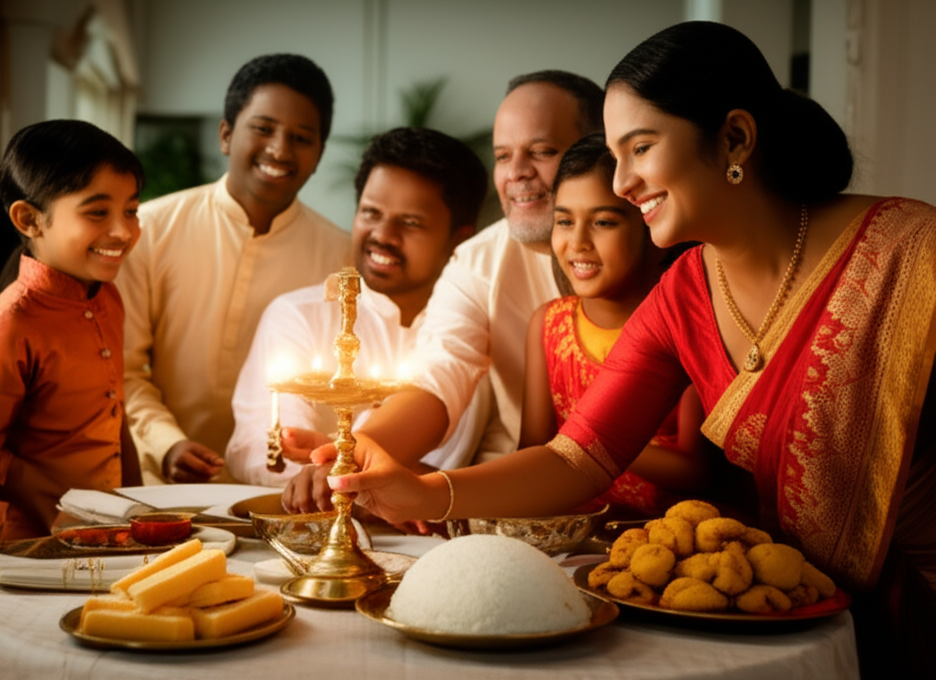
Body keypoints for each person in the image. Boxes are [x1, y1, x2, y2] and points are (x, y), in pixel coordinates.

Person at [302, 22, 936, 677]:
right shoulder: (686, 291)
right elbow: (574, 458)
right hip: (792, 613)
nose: (625, 182)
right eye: (614, 153)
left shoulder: (910, 256)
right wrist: (422, 492)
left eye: (641, 148)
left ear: (735, 138)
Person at [325, 71, 604, 481]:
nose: (517, 173)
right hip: (525, 494)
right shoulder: (477, 261)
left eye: (542, 151)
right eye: (503, 156)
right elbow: (438, 376)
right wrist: (358, 453)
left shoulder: (667, 257)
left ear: (600, 150)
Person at [226, 127, 490, 512]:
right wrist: (350, 466)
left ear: (459, 239)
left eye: (411, 223)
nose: (383, 235)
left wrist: (402, 476)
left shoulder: (479, 331)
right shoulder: (299, 315)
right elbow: (258, 447)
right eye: (370, 213)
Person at [117, 54, 351, 485]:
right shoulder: (150, 230)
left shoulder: (343, 258)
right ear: (226, 135)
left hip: (285, 488)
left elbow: (346, 387)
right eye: (263, 128)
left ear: (318, 156)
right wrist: (166, 443)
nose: (280, 149)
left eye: (301, 137)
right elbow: (122, 370)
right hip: (163, 487)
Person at [0, 119, 145, 542]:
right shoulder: (8, 325)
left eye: (131, 210)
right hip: (27, 545)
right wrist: (67, 518)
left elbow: (114, 415)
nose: (124, 231)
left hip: (105, 533)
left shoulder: (108, 299)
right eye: (97, 212)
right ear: (29, 219)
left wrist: (136, 516)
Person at [519, 134, 708, 517]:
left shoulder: (684, 326)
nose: (577, 242)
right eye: (565, 221)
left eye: (603, 222)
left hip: (668, 541)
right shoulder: (549, 325)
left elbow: (699, 471)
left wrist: (592, 437)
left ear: (652, 231)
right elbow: (532, 453)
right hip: (573, 536)